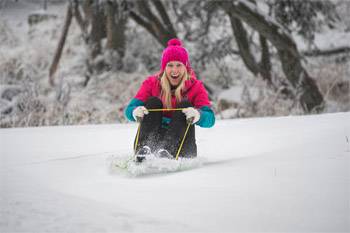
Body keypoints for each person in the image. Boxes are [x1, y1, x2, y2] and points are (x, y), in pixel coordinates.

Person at [124, 38, 215, 161]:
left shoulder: (196, 87)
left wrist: (198, 115)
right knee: (153, 102)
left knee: (185, 105)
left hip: (181, 146)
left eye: (179, 65)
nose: (174, 70)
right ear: (164, 67)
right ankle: (144, 150)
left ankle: (168, 151)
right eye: (170, 65)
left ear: (185, 67)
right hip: (152, 142)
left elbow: (210, 119)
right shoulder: (151, 83)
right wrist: (134, 112)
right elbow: (129, 110)